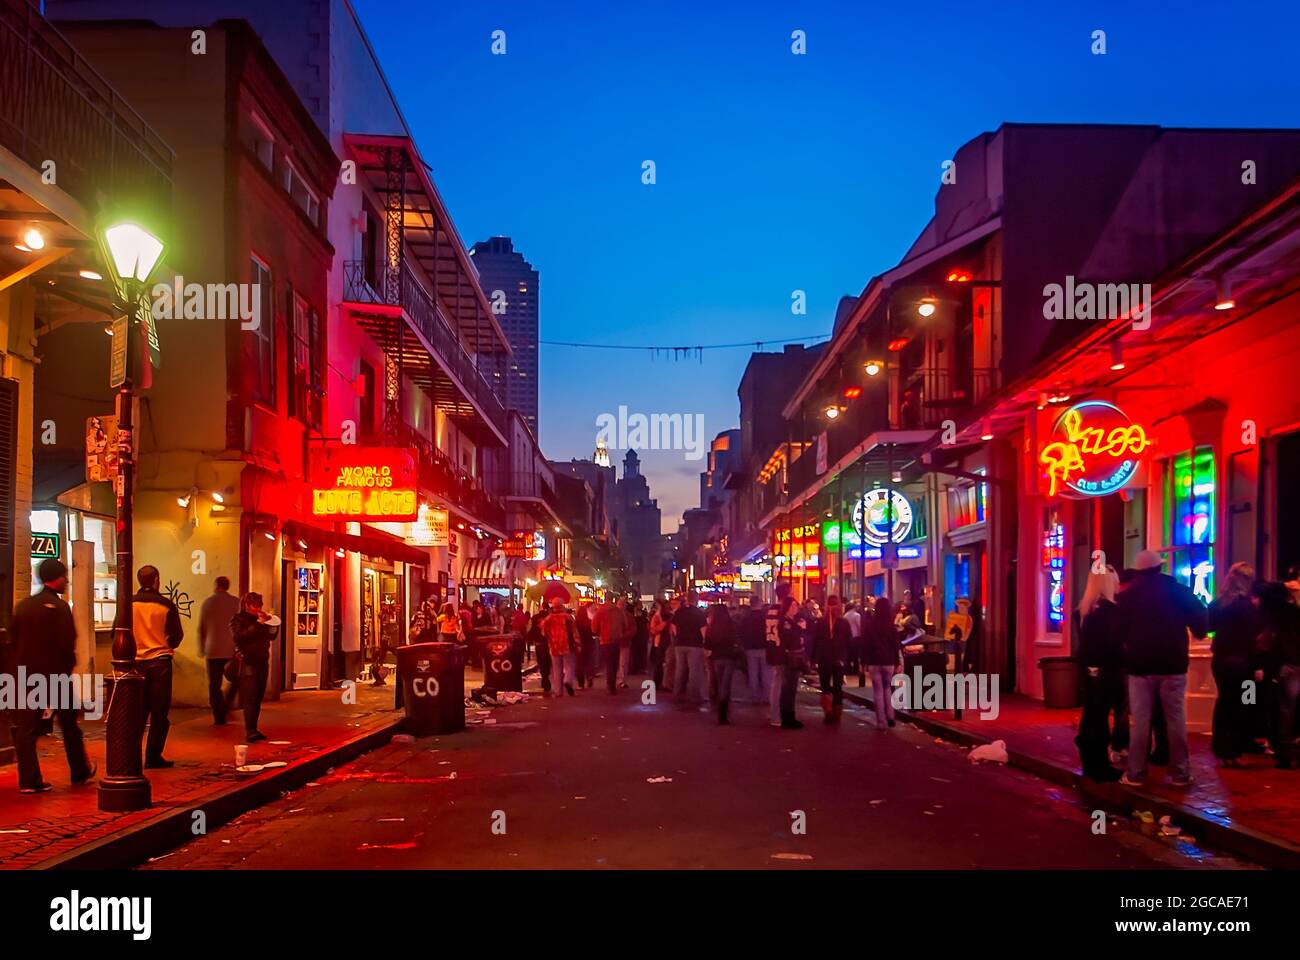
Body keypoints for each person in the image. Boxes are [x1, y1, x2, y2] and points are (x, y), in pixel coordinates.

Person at [1117, 549, 1208, 787]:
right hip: (1172, 664)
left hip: (1140, 666)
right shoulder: (1178, 592)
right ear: (1160, 568)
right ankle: (1180, 772)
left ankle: (1136, 772)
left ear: (1138, 572)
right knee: (1175, 719)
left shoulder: (1128, 597)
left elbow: (1118, 632)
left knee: (1141, 720)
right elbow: (1201, 621)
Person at [11, 559, 95, 793]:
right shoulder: (60, 608)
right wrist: (67, 672)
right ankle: (79, 771)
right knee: (69, 725)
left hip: (25, 676)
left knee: (26, 730)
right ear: (56, 578)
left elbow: (13, 640)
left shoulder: (24, 606)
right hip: (55, 676)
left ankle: (29, 779)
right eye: (64, 576)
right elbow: (67, 643)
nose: (67, 581)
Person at [1074, 566, 1125, 781]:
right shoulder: (1111, 612)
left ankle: (1090, 762)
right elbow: (1113, 645)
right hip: (1107, 670)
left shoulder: (1083, 611)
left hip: (1088, 669)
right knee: (1100, 718)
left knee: (1091, 715)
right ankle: (1099, 767)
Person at [1208, 563, 1260, 767]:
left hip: (1221, 660)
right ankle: (1238, 745)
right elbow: (1253, 637)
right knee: (1246, 702)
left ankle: (1222, 745)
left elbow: (1210, 627)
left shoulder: (1217, 604)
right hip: (1242, 662)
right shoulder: (1247, 607)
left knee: (1225, 701)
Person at [132, 565, 184, 768]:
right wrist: (166, 644)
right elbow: (177, 636)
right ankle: (153, 755)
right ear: (156, 580)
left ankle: (132, 754)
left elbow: (117, 632)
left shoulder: (129, 604)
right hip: (160, 661)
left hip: (135, 664)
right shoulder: (166, 605)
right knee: (159, 713)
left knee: (137, 713)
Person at [1256, 580, 1300, 769]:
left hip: (1275, 666)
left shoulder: (1267, 616)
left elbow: (1264, 642)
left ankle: (1279, 748)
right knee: (1287, 709)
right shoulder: (1292, 612)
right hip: (1289, 663)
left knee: (1281, 708)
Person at [230, 591, 274, 742]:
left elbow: (271, 636)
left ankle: (254, 728)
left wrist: (272, 623)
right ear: (247, 605)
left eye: (260, 605)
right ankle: (250, 730)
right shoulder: (238, 619)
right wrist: (257, 624)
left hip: (262, 661)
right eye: (256, 605)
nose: (258, 608)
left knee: (258, 697)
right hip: (248, 662)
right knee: (250, 696)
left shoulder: (260, 619)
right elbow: (239, 637)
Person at [197, 575, 241, 725]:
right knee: (236, 679)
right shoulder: (236, 603)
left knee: (214, 685)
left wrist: (202, 647)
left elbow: (202, 627)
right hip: (230, 649)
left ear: (216, 585)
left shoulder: (207, 603)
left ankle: (218, 715)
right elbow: (240, 626)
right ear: (228, 586)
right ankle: (227, 704)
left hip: (212, 649)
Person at [812, 595, 853, 725]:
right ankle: (837, 713)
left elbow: (816, 642)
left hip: (824, 658)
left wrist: (813, 659)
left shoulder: (820, 622)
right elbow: (849, 642)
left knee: (825, 686)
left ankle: (828, 710)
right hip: (839, 658)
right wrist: (848, 658)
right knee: (837, 687)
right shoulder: (843, 623)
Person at [862, 596, 900, 729]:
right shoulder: (891, 626)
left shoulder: (870, 625)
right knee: (887, 688)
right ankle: (890, 715)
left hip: (874, 661)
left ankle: (881, 721)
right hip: (888, 661)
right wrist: (897, 661)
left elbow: (865, 644)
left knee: (877, 691)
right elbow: (896, 645)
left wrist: (864, 662)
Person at [704, 603, 743, 724]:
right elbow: (738, 639)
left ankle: (721, 709)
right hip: (729, 657)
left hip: (717, 657)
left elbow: (708, 643)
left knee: (721, 683)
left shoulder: (712, 627)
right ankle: (723, 713)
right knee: (726, 685)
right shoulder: (732, 625)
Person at [777, 595, 808, 729]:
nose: (796, 608)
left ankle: (790, 716)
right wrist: (800, 629)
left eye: (796, 606)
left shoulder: (792, 621)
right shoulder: (785, 622)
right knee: (787, 689)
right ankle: (787, 718)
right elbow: (788, 638)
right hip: (789, 659)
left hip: (795, 657)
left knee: (791, 689)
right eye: (793, 606)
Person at [671, 591, 708, 703]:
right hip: (695, 645)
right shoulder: (699, 613)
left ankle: (677, 694)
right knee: (694, 671)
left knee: (680, 670)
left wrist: (679, 636)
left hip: (680, 644)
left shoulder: (679, 612)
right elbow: (703, 631)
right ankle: (694, 696)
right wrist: (705, 644)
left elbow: (673, 626)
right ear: (696, 599)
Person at [765, 583, 793, 726]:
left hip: (772, 647)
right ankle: (776, 715)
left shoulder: (770, 610)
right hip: (781, 649)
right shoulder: (783, 610)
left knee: (776, 681)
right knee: (780, 683)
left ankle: (773, 712)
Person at [592, 594, 632, 694]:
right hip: (616, 639)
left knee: (609, 663)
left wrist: (599, 633)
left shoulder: (600, 611)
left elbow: (594, 627)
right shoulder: (619, 612)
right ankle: (612, 684)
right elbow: (625, 624)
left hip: (605, 640)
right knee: (614, 663)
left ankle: (610, 685)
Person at [540, 598, 578, 697]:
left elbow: (544, 633)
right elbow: (574, 632)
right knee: (569, 666)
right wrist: (578, 643)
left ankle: (558, 691)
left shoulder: (548, 619)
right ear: (562, 606)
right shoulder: (568, 617)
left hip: (553, 646)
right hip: (567, 645)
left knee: (557, 669)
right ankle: (568, 681)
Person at [740, 596, 769, 705]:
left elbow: (742, 632)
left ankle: (754, 697)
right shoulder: (764, 617)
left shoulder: (746, 618)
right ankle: (766, 697)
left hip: (750, 649)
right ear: (760, 603)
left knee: (753, 674)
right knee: (766, 673)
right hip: (764, 647)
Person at [648, 600, 671, 690]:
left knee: (661, 663)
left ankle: (661, 682)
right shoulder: (657, 616)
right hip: (661, 641)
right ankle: (659, 683)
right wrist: (663, 625)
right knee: (660, 663)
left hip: (664, 641)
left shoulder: (660, 615)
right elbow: (653, 630)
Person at [526, 610, 551, 694]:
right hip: (549, 643)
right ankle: (546, 677)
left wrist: (530, 639)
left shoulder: (534, 618)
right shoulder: (550, 617)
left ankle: (544, 677)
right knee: (548, 662)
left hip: (539, 643)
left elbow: (529, 629)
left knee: (541, 662)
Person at [843, 600, 865, 687]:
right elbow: (859, 626)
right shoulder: (857, 615)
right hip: (856, 637)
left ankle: (848, 670)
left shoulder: (845, 615)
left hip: (848, 637)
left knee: (849, 655)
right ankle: (855, 670)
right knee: (855, 655)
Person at [574, 603, 595, 689]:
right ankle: (589, 677)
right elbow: (593, 632)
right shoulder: (589, 622)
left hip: (579, 645)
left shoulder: (575, 623)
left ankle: (581, 684)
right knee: (588, 662)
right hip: (589, 643)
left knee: (579, 664)